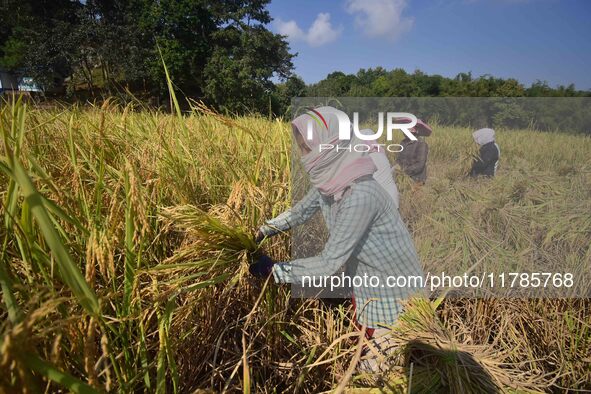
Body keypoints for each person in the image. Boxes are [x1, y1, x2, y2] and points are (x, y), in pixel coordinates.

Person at [250, 106, 424, 372]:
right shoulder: (333, 182)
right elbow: (302, 210)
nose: (303, 156)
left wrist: (274, 271)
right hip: (368, 283)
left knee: (375, 375)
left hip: (396, 297)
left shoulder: (360, 195)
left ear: (330, 145)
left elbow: (329, 262)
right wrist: (266, 229)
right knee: (366, 341)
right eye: (302, 147)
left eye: (306, 148)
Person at [396, 119, 432, 184]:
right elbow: (398, 159)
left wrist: (404, 171)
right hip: (402, 177)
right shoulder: (403, 142)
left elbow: (420, 165)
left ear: (414, 130)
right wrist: (397, 169)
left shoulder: (421, 144)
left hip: (416, 179)